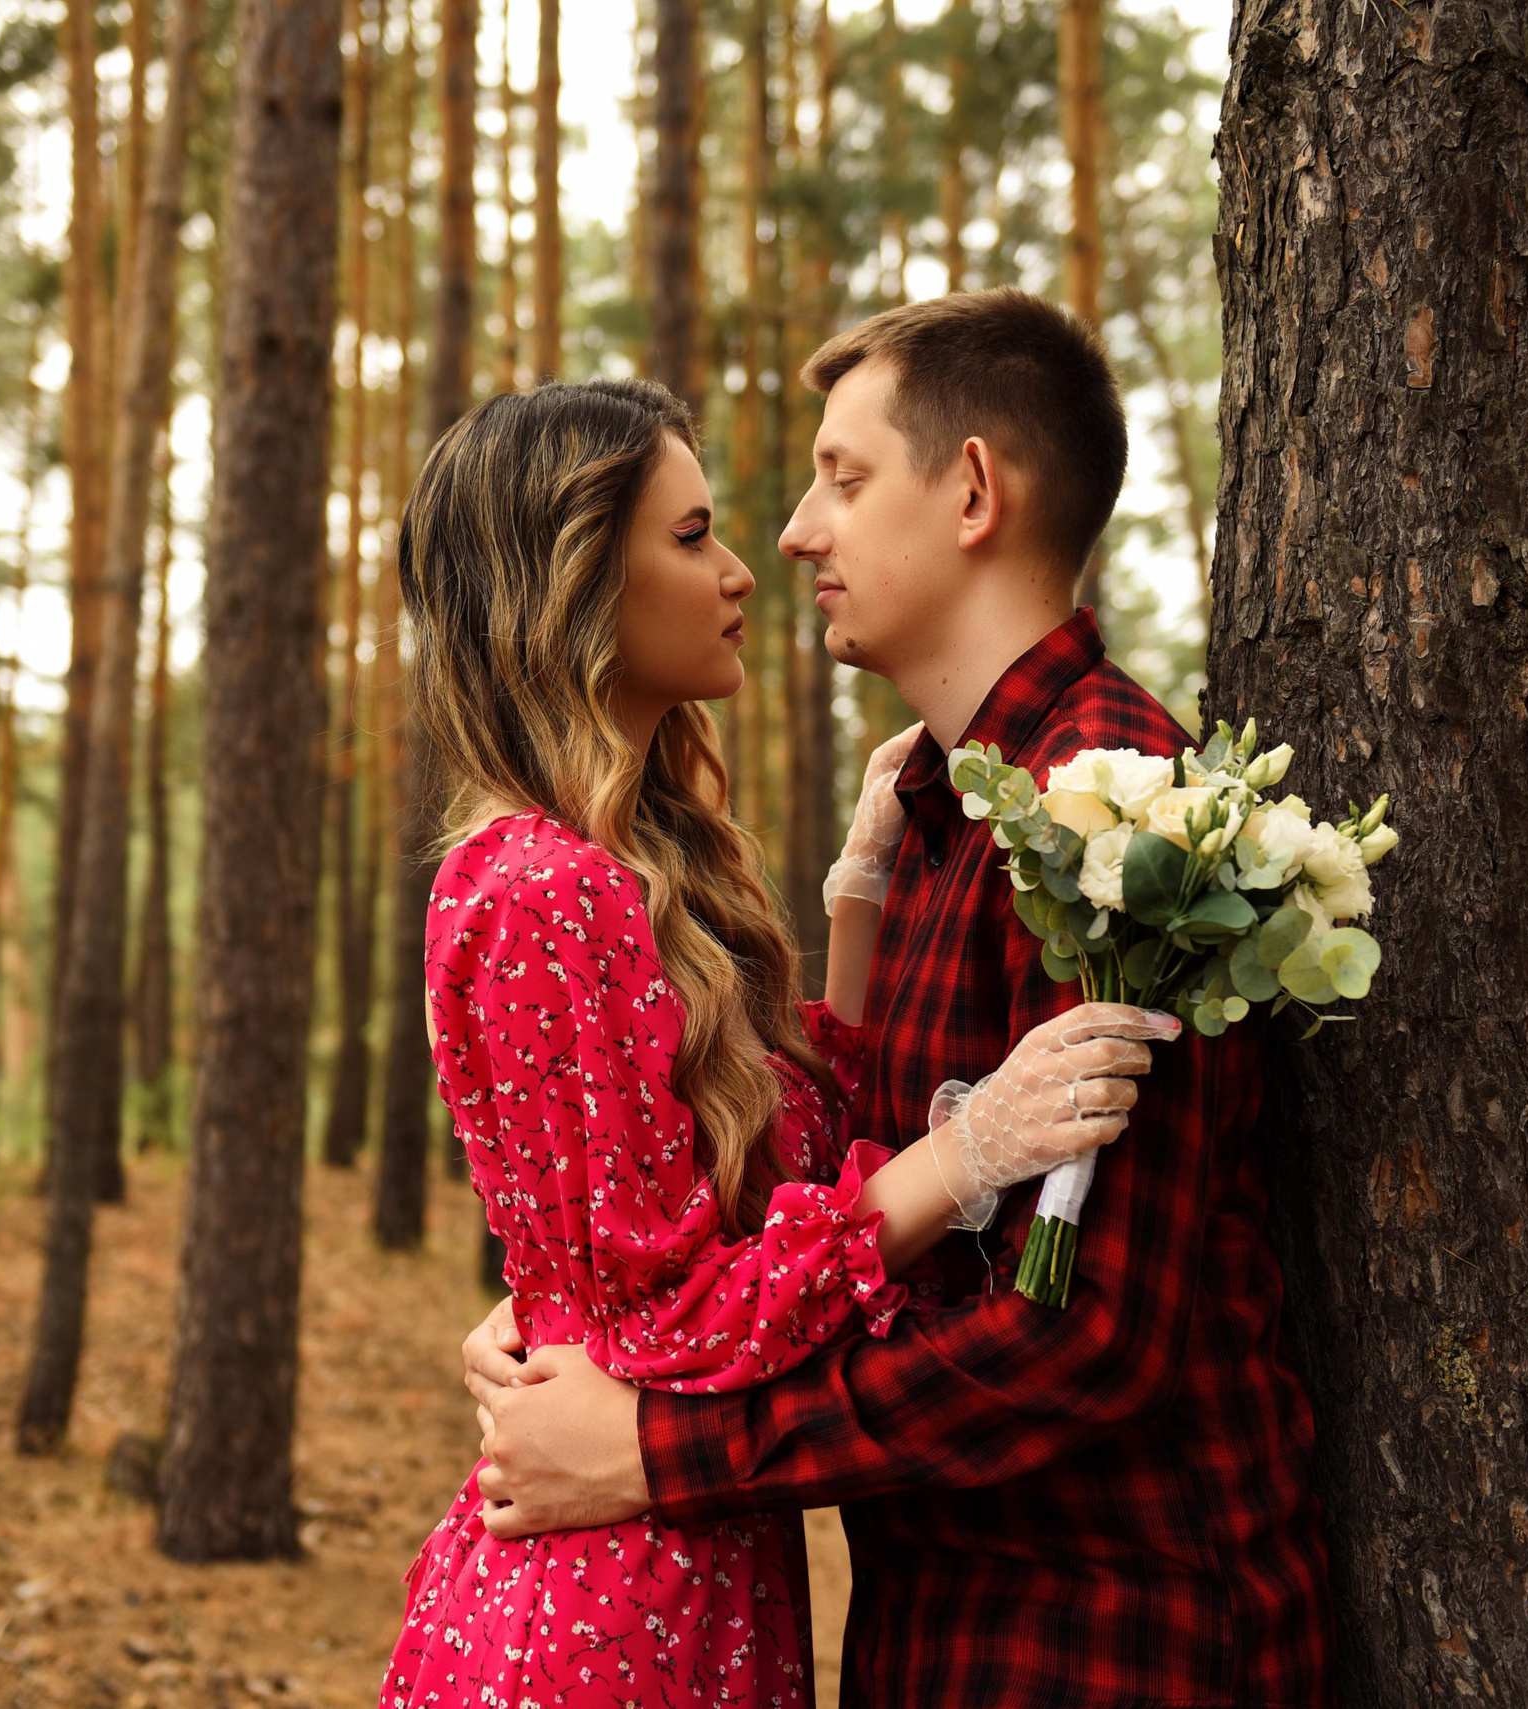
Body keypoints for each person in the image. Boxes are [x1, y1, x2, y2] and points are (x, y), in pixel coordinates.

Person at [461, 290, 1337, 1707]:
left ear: (974, 491)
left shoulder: (1113, 819)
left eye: (843, 479)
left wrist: (653, 1449)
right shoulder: (941, 807)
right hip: (939, 1613)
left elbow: (1088, 1332)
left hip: (1109, 1632)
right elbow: (842, 1201)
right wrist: (566, 1316)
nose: (796, 531)